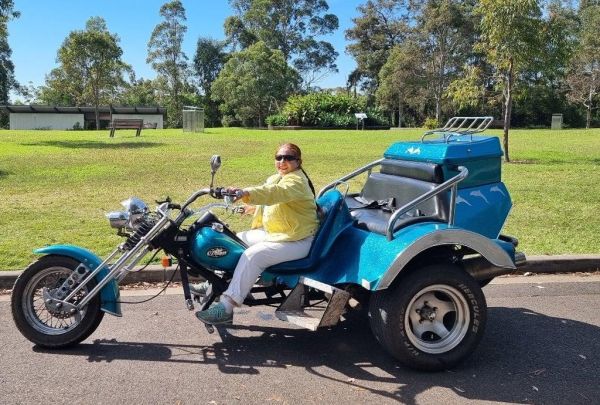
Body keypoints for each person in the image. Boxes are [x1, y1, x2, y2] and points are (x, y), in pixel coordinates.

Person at [194, 143, 320, 325]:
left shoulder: (296, 181)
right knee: (231, 241)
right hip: (278, 234)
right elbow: (272, 201)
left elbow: (274, 194)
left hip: (299, 240)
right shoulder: (276, 178)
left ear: (298, 161)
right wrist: (250, 208)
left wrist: (244, 192)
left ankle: (226, 308)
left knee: (254, 255)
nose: (283, 161)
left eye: (289, 157)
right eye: (279, 157)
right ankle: (214, 284)